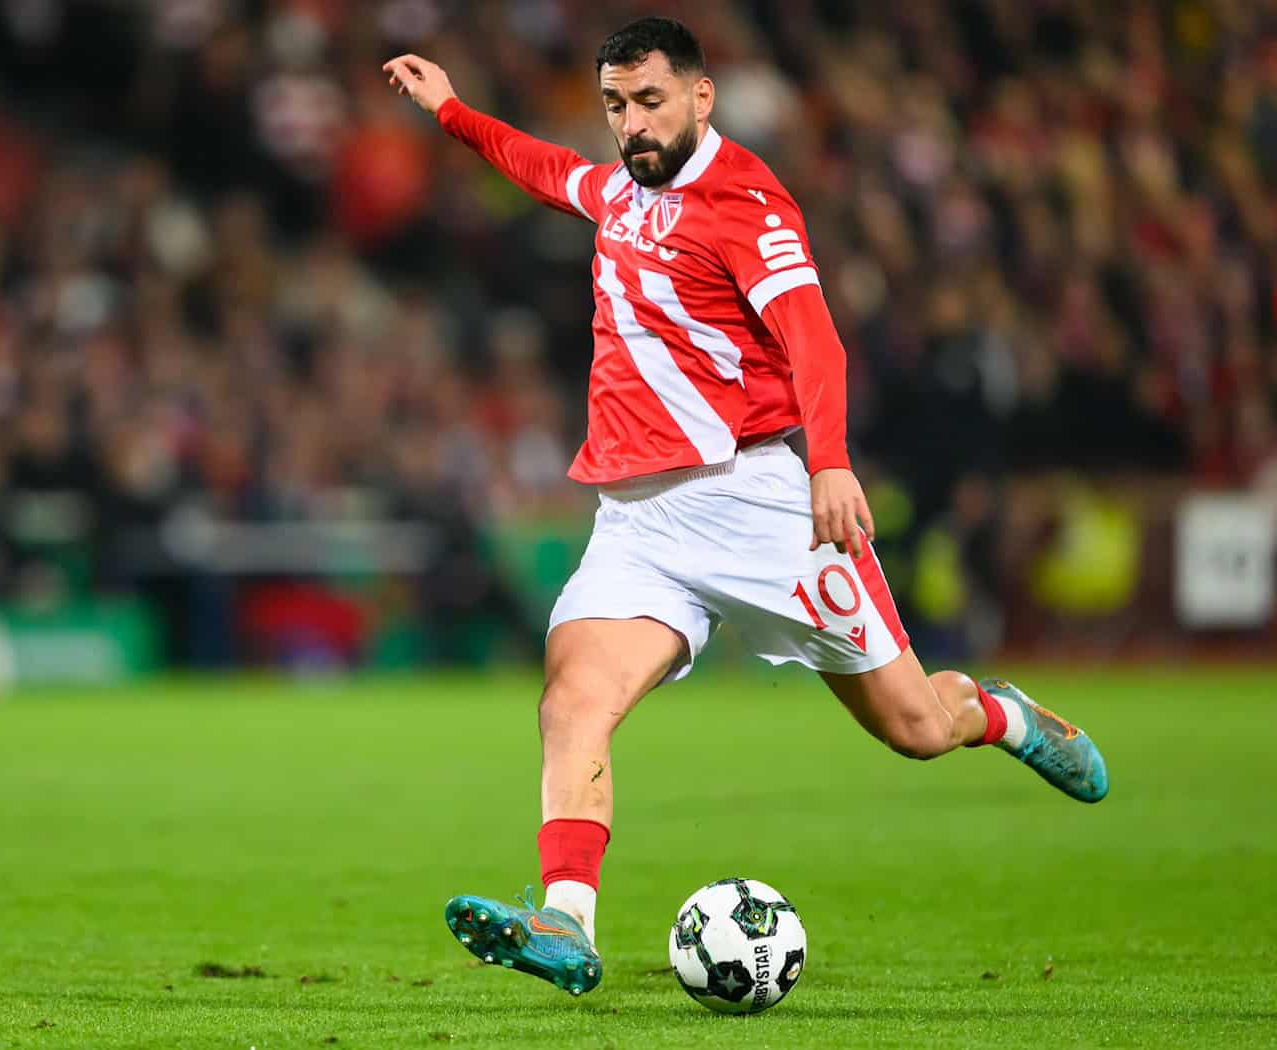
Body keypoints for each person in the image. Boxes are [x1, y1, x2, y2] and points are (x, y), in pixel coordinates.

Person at [384, 15, 1108, 998]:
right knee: (571, 702)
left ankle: (1001, 715)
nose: (629, 124)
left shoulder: (746, 201)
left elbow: (813, 341)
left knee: (911, 727)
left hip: (757, 502)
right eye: (613, 105)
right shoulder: (617, 190)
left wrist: (830, 464)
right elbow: (541, 165)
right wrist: (451, 111)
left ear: (699, 96)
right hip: (637, 520)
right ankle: (565, 919)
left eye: (647, 102)